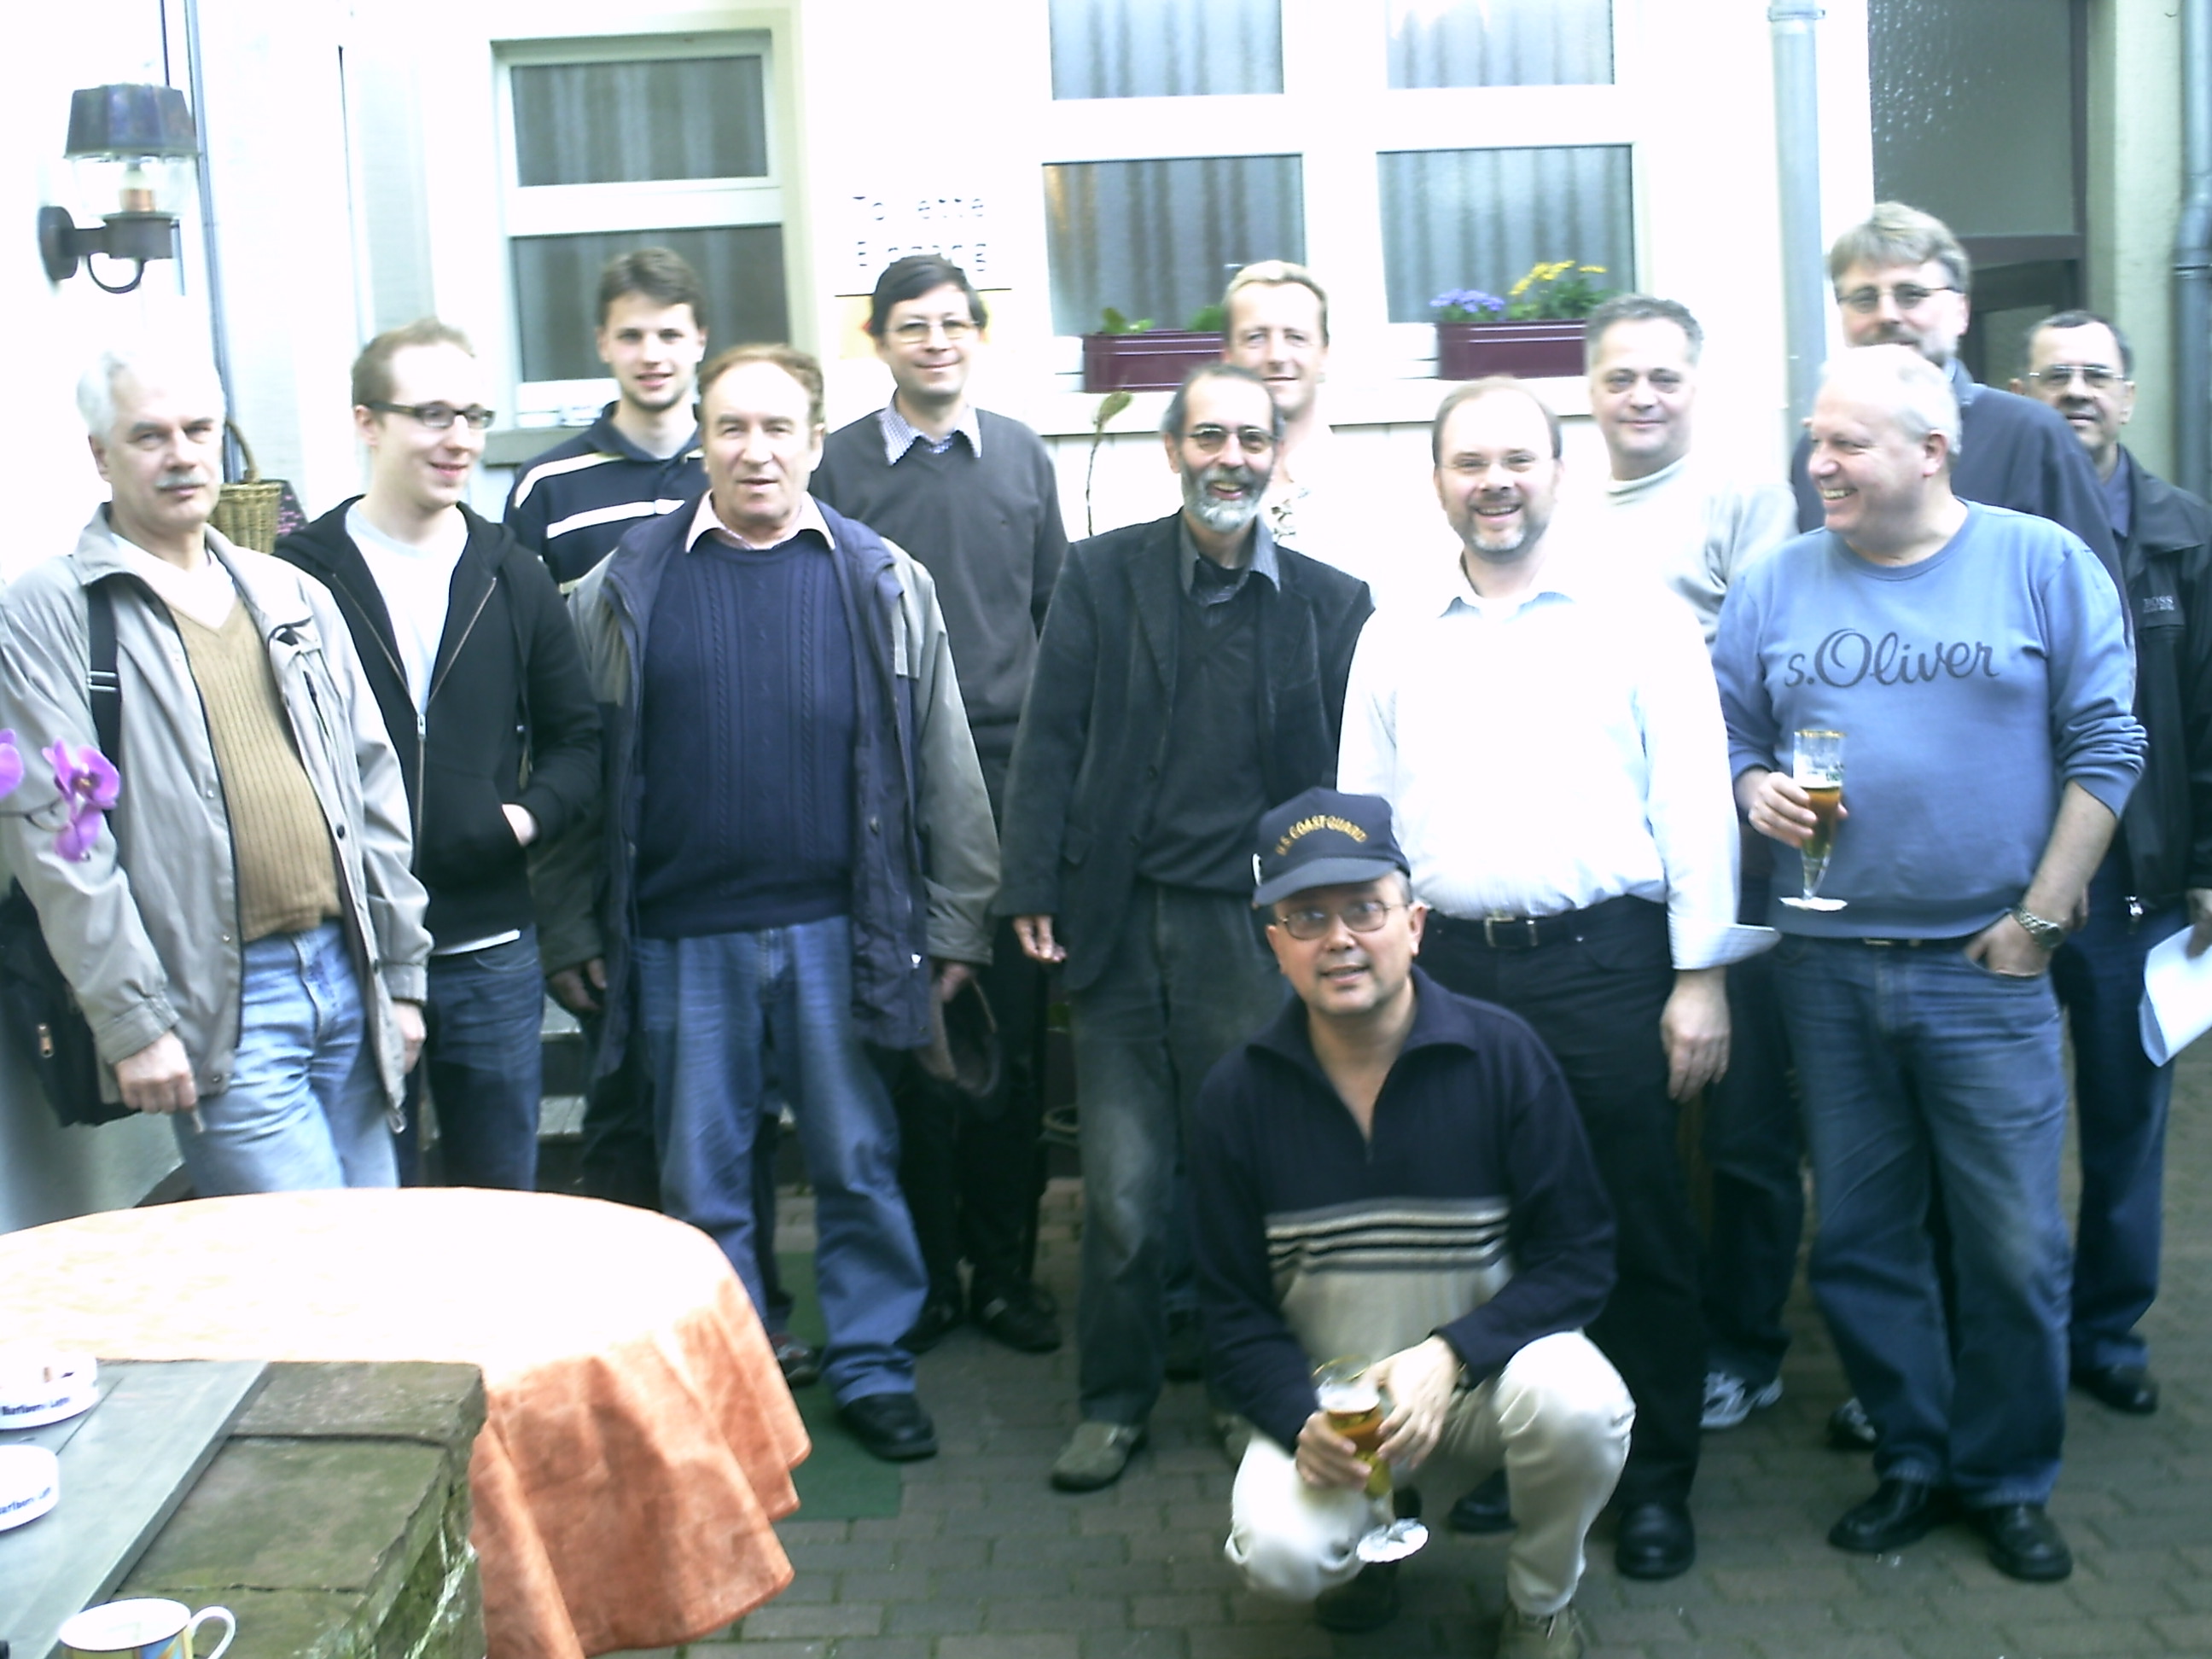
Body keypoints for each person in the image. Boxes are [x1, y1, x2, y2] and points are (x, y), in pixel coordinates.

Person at [1714, 346, 2143, 1582]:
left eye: (1847, 443)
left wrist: (2039, 923)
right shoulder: (1776, 582)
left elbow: (2109, 747)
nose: (1820, 462)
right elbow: (1729, 731)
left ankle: (2005, 1478)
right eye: (1815, 439)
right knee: (1860, 1238)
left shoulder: (2039, 563)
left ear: (1932, 451)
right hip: (1826, 971)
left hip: (1984, 968)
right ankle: (1912, 1455)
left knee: (2014, 1248)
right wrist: (1752, 786)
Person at [1339, 376, 1766, 1580]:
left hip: (1603, 966)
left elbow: (1696, 804)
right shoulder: (1394, 631)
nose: (1496, 483)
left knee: (1634, 1220)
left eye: (1518, 460)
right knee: (1484, 1235)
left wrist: (1699, 978)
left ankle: (1656, 1480)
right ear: (1438, 482)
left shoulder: (1637, 620)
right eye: (1470, 462)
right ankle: (1519, 1456)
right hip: (1449, 971)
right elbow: (1364, 817)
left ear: (1558, 475)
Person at [548, 343, 998, 1462]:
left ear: (815, 440)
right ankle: (739, 1377)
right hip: (679, 938)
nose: (755, 451)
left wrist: (957, 917)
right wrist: (566, 922)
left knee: (856, 1160)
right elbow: (572, 774)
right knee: (704, 1180)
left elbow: (946, 759)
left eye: (778, 427)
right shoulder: (617, 589)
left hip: (842, 933)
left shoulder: (884, 581)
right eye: (732, 427)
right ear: (702, 440)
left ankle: (872, 1365)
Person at [998, 362, 1372, 1493]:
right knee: (1120, 1191)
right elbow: (1050, 736)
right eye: (1209, 437)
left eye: (1251, 439)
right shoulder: (1102, 576)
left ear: (1277, 455)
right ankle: (1113, 1404)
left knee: (1239, 1182)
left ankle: (1243, 1392)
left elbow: (1346, 782)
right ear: (1173, 451)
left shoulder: (1330, 604)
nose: (1230, 458)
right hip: (1118, 923)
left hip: (1251, 940)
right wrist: (1031, 882)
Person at [1196, 788, 1632, 1659]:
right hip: (1337, 1409)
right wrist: (1296, 1417)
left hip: (1480, 1391)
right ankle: (1366, 1538)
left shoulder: (1504, 1057)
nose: (1340, 939)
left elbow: (1581, 1259)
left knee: (1582, 1405)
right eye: (1307, 917)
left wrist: (1452, 1355)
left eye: (1365, 909)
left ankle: (1540, 1604)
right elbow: (1229, 1312)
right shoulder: (1235, 1099)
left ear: (1415, 924)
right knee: (1280, 1557)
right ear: (1276, 945)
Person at [0, 346, 429, 1192]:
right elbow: (59, 836)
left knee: (370, 1251)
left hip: (349, 975)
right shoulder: (50, 612)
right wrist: (132, 1019)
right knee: (295, 1258)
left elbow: (374, 787)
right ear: (101, 456)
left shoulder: (289, 593)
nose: (182, 455)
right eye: (149, 436)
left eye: (199, 430)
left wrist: (402, 975)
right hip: (223, 1006)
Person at [276, 319, 601, 1191]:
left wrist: (518, 821)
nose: (459, 438)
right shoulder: (299, 578)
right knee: (368, 1205)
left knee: (498, 1201)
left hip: (488, 943)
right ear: (367, 422)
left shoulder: (512, 573)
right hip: (351, 951)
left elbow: (579, 741)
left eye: (473, 416)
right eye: (431, 414)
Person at [813, 254, 1068, 1356]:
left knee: (1005, 1042)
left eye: (954, 323)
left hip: (1006, 776)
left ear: (979, 336)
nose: (935, 341)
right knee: (903, 1040)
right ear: (877, 341)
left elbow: (1056, 618)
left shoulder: (1020, 455)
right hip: (887, 784)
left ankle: (1004, 1272)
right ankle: (920, 1282)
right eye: (912, 325)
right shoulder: (837, 465)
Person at [1575, 293, 1802, 1439]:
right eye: (1621, 377)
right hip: (1617, 854)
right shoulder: (1565, 508)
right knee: (1631, 1116)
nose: (1643, 397)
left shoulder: (1743, 497)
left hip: (1734, 845)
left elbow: (1756, 662)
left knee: (1746, 1122)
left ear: (1695, 386)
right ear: (1590, 389)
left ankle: (1746, 1345)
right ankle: (1619, 1334)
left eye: (1664, 376)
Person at [2012, 310, 2212, 1417]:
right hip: (2005, 886)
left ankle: (2107, 1333)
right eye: (2056, 376)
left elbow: (2210, 713)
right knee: (1998, 1127)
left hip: (2138, 891)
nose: (2078, 390)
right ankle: (2010, 1328)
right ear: (2023, 397)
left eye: (2097, 374)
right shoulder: (1984, 533)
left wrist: (2207, 859)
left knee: (2128, 1125)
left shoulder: (2185, 537)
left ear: (2129, 397)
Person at [1787, 203, 2124, 612]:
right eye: (1864, 298)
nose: (1887, 315)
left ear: (1961, 312)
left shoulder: (2030, 436)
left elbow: (2096, 613)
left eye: (1911, 295)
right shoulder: (1816, 455)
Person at [1220, 260, 1441, 611]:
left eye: (1296, 338)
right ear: (1228, 357)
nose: (1277, 356)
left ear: (1324, 354)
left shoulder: (1384, 497)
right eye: (1256, 338)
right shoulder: (1202, 495)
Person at [504, 247, 707, 589]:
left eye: (669, 335)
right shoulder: (546, 484)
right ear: (603, 343)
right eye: (631, 336)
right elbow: (523, 619)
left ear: (700, 342)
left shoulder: (740, 470)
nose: (651, 355)